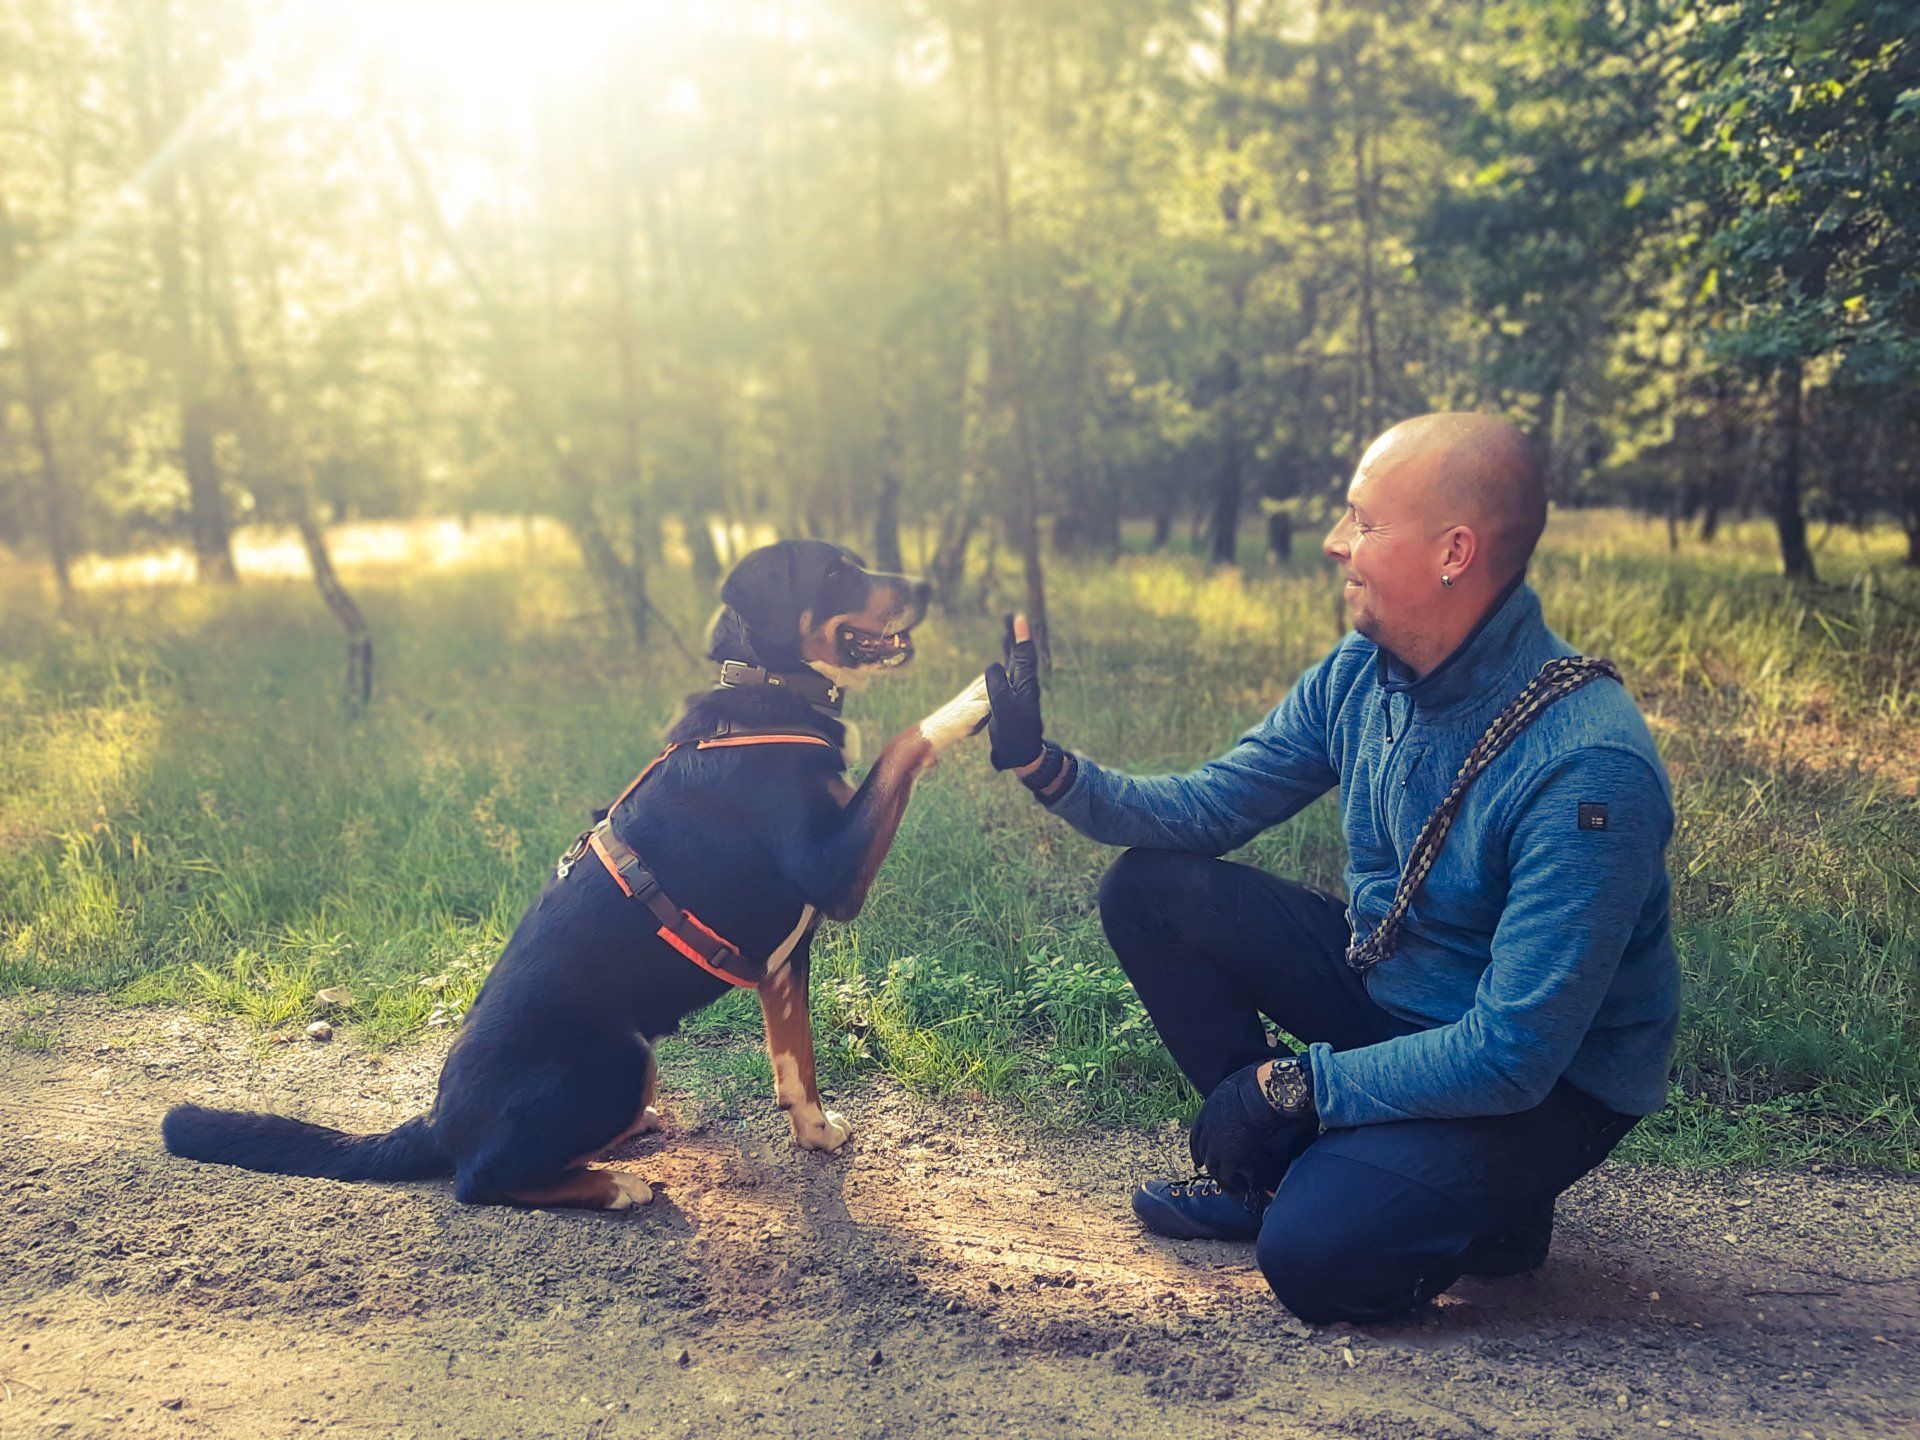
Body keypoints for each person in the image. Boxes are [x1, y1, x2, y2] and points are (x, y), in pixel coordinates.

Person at [982, 413, 1678, 1325]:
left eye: (1363, 520)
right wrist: (1047, 766)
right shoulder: (1363, 671)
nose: (1333, 542)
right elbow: (1204, 809)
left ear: (1452, 553)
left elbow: (1514, 1055)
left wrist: (1293, 1087)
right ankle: (1287, 1177)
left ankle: (1469, 1203)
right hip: (1397, 995)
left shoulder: (1588, 767)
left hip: (1545, 1083)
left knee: (1318, 1257)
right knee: (1150, 890)